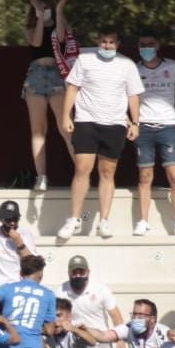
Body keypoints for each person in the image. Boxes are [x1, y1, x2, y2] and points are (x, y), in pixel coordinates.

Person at [57, 26, 143, 241]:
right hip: (86, 121)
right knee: (82, 169)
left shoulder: (127, 64)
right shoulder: (85, 60)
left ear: (118, 44)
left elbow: (133, 95)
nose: (107, 46)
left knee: (107, 172)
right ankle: (74, 219)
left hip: (114, 124)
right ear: (98, 41)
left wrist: (135, 122)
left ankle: (104, 221)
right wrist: (66, 116)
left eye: (111, 42)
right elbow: (72, 88)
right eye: (104, 41)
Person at [134, 31, 175, 236]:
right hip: (144, 126)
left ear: (157, 45)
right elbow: (128, 95)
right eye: (142, 44)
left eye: (150, 43)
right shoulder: (134, 69)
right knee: (145, 175)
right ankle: (143, 221)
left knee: (174, 174)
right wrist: (131, 121)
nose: (146, 48)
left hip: (167, 125)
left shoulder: (171, 66)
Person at [23, 0, 74, 192]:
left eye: (46, 6)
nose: (44, 9)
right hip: (35, 74)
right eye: (39, 6)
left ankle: (82, 172)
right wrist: (38, 17)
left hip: (57, 74)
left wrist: (59, 11)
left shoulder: (60, 23)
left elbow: (61, 38)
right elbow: (35, 42)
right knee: (38, 129)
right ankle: (41, 177)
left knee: (66, 126)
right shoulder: (30, 27)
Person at [59, 254, 125, 348]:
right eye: (74, 272)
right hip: (76, 342)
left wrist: (120, 340)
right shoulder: (61, 291)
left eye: (81, 272)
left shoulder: (101, 289)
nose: (78, 275)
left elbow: (115, 315)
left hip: (101, 341)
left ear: (88, 272)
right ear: (69, 273)